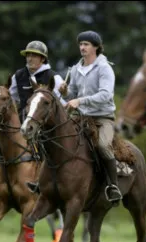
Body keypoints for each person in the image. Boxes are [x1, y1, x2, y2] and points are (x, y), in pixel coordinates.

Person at [0, 40, 66, 204]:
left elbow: (64, 105)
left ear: (43, 59)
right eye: (28, 55)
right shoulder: (19, 76)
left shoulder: (54, 77)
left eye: (34, 55)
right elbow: (8, 99)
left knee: (45, 149)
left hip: (44, 128)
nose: (30, 58)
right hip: (21, 128)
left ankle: (47, 185)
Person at [58, 30, 122, 204]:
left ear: (96, 47)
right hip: (81, 118)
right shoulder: (76, 69)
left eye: (86, 44)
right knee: (57, 137)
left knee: (102, 146)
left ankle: (113, 186)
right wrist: (66, 93)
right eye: (80, 44)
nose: (82, 47)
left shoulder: (104, 68)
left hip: (103, 119)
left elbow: (106, 95)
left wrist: (79, 100)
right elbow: (73, 96)